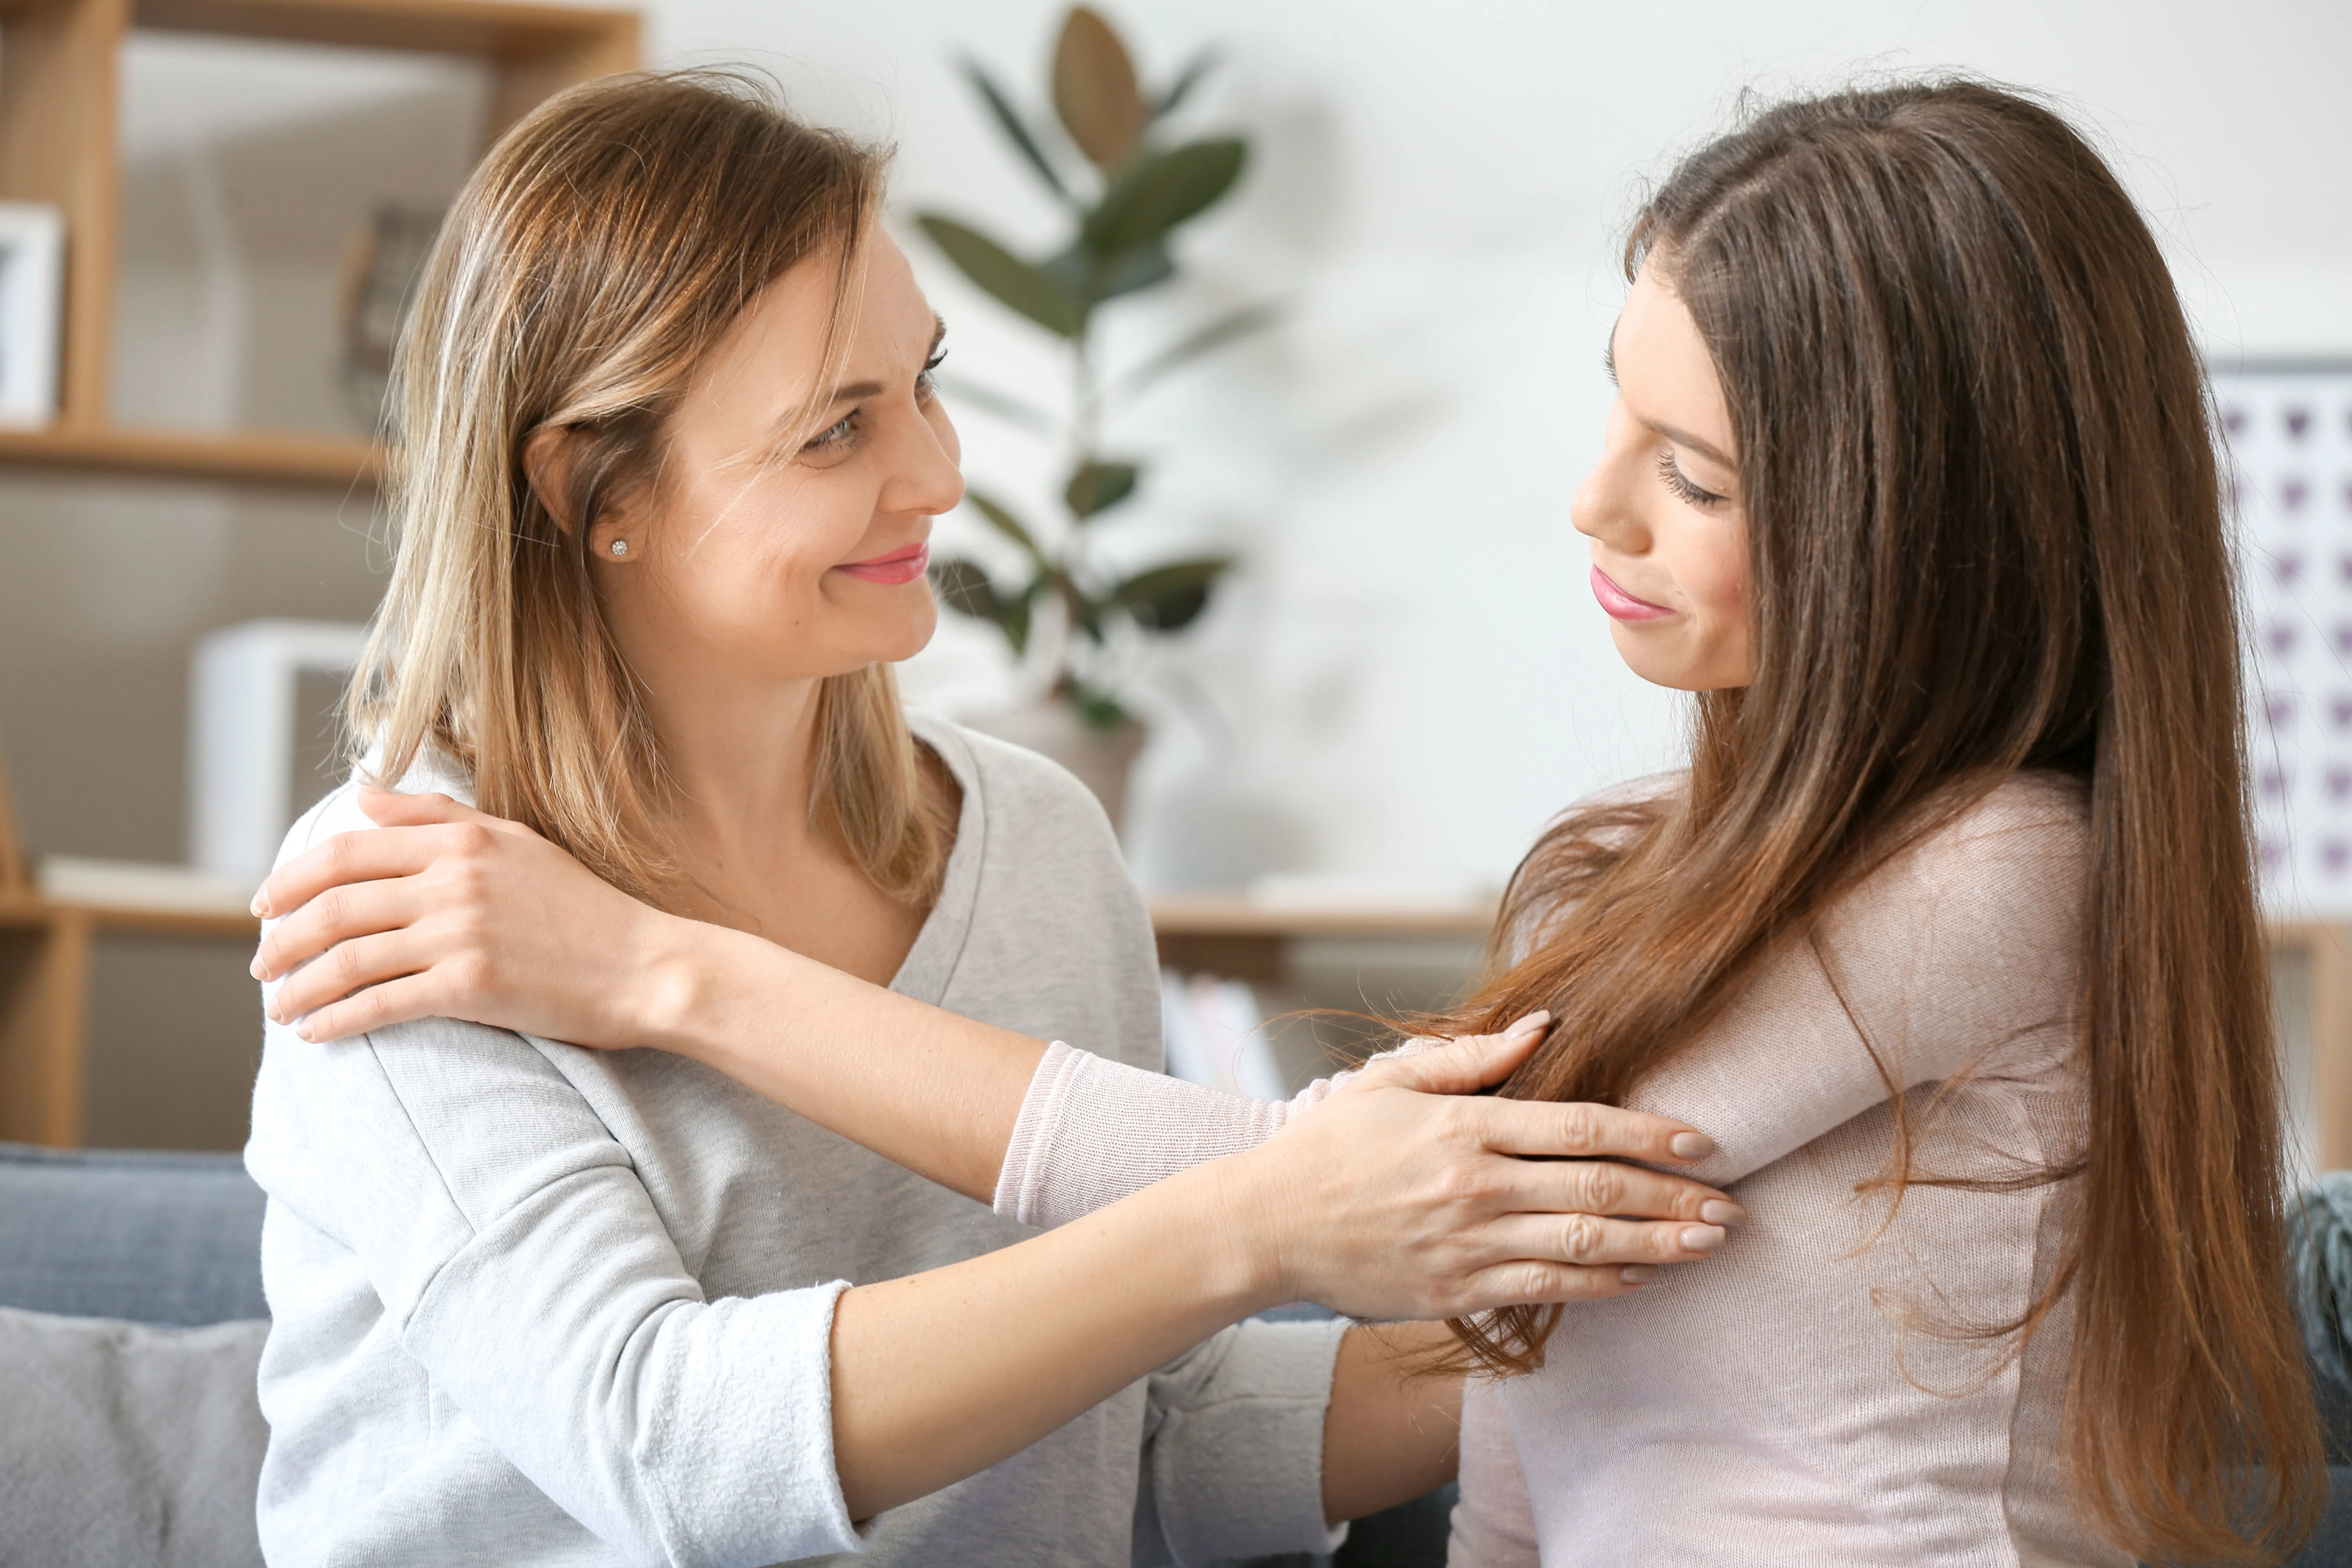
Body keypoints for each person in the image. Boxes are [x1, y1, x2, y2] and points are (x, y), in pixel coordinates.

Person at [254, 75, 2328, 1565]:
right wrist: (1392, 1255)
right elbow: (669, 1450)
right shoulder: (418, 907)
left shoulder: (1038, 844)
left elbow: (1157, 1412)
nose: (948, 477)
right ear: (588, 494)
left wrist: (1521, 1302)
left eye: (932, 382)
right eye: (840, 429)